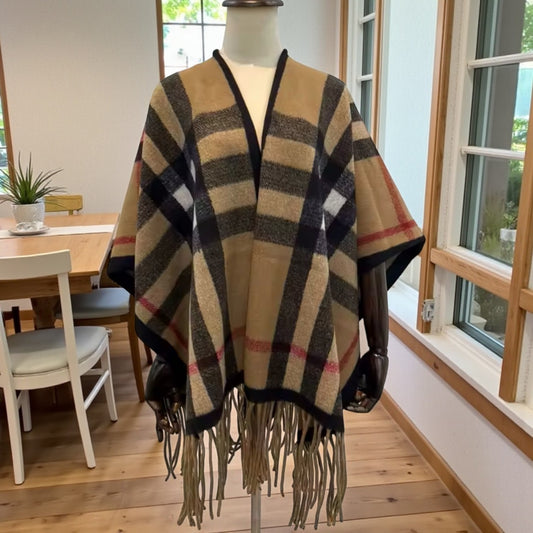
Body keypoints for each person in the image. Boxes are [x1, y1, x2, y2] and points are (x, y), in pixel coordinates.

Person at [108, 0, 425, 528]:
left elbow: (365, 230)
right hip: (215, 315)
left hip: (300, 312)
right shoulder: (175, 100)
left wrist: (379, 345)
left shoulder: (328, 99)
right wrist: (165, 351)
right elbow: (156, 234)